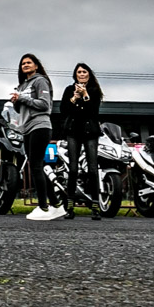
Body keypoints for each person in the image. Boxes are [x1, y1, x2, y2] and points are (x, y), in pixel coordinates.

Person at [10, 53, 62, 222]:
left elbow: (45, 104)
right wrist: (16, 102)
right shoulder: (22, 84)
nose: (25, 65)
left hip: (40, 125)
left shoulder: (40, 81)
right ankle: (56, 205)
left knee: (37, 166)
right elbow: (21, 110)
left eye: (28, 62)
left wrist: (23, 98)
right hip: (26, 128)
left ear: (36, 65)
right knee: (37, 166)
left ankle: (43, 206)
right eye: (23, 63)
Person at [55, 63, 103, 221]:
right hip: (73, 131)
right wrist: (75, 97)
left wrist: (85, 95)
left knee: (92, 168)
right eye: (79, 72)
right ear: (75, 75)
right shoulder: (69, 90)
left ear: (89, 74)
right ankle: (69, 207)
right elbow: (64, 110)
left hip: (90, 131)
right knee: (73, 169)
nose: (81, 74)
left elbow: (92, 111)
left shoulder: (95, 91)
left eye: (84, 71)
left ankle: (95, 206)